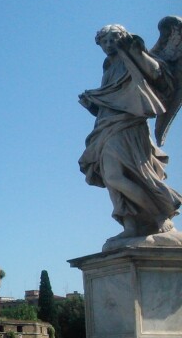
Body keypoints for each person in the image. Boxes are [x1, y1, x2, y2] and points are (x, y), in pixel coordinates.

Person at [78, 22, 182, 244]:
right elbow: (116, 97)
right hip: (106, 126)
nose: (107, 45)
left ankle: (159, 215)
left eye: (111, 39)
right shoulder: (108, 66)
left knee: (129, 174)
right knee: (111, 176)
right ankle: (131, 224)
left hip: (129, 125)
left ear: (122, 37)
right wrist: (92, 105)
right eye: (103, 42)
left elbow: (157, 75)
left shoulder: (133, 51)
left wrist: (134, 51)